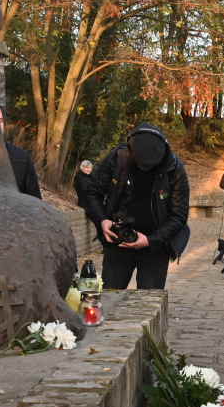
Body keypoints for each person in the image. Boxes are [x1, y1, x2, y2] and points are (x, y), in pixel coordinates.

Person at [80, 124, 191, 290]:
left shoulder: (174, 169)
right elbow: (92, 193)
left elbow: (179, 216)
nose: (145, 168)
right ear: (131, 150)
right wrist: (102, 220)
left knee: (149, 302)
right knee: (111, 295)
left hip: (156, 244)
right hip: (118, 240)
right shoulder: (118, 159)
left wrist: (149, 240)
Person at [73, 158, 103, 243]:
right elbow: (84, 189)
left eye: (89, 168)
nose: (88, 170)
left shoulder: (92, 176)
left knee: (102, 215)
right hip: (85, 202)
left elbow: (97, 187)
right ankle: (101, 236)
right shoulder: (79, 177)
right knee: (97, 216)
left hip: (94, 201)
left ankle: (101, 235)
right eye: (86, 168)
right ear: (82, 168)